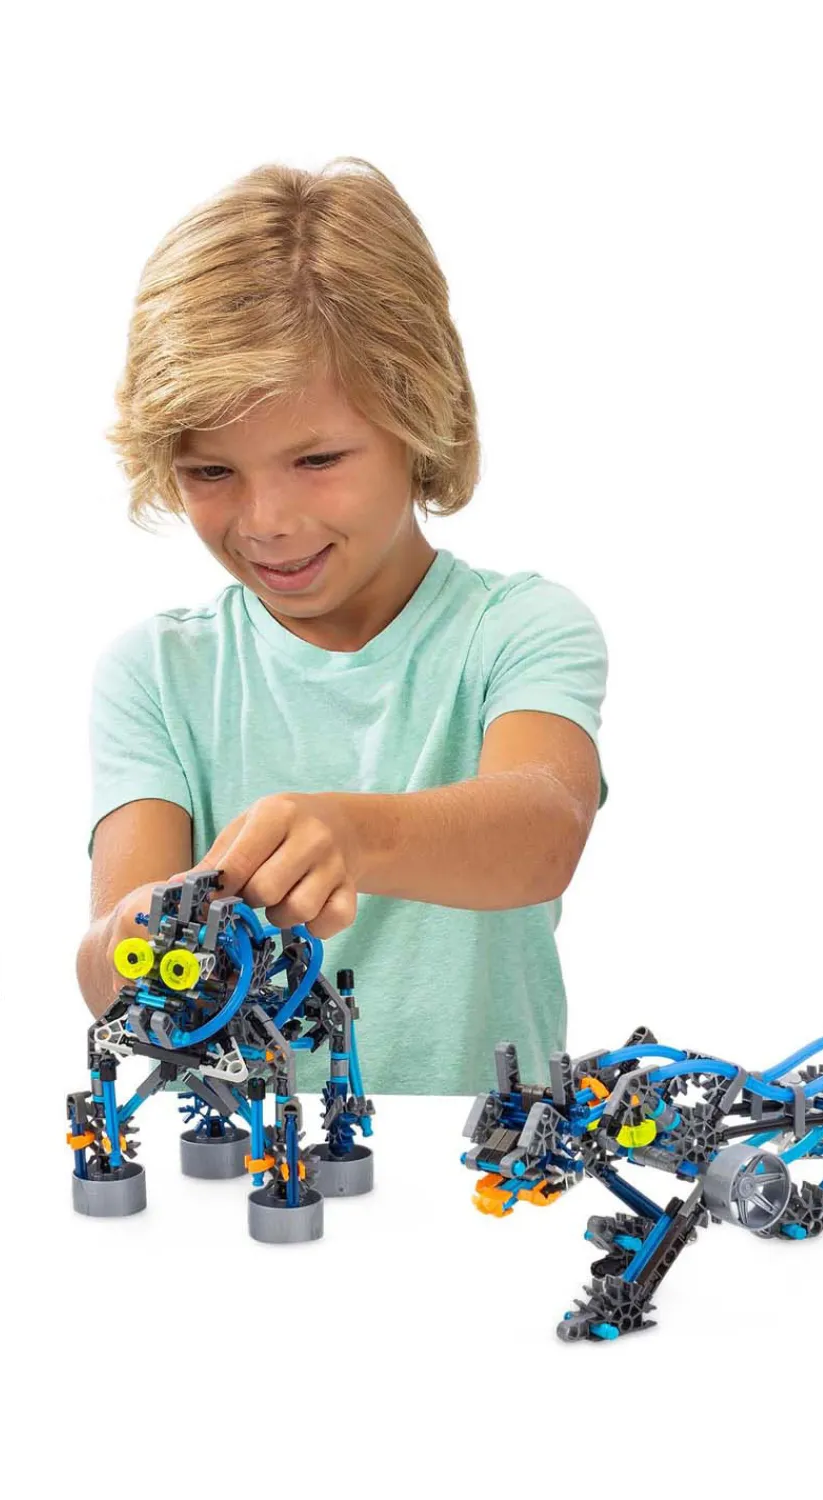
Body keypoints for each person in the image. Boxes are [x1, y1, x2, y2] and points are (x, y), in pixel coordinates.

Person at [75, 157, 608, 1095]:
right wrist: (145, 932)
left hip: (476, 1159)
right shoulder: (158, 670)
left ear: (420, 419)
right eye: (211, 472)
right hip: (235, 1159)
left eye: (317, 459)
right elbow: (104, 971)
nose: (266, 521)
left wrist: (352, 835)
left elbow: (541, 829)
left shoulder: (517, 628)